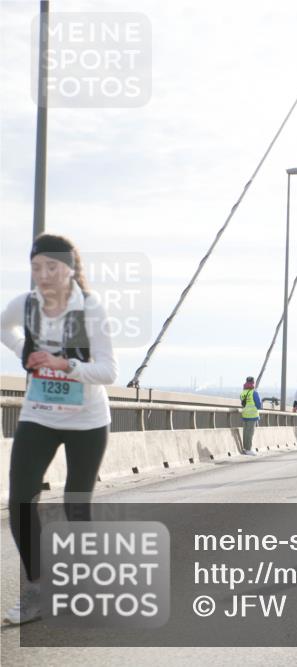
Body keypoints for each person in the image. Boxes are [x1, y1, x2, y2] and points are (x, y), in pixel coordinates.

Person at [1, 234, 118, 624]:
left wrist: (67, 365)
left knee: (75, 504)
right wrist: (24, 351)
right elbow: (4, 327)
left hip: (87, 420)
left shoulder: (91, 309)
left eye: (52, 266)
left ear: (70, 269)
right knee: (21, 500)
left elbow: (109, 371)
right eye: (36, 267)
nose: (44, 274)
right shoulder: (26, 305)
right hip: (39, 414)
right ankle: (36, 590)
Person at [239, 376, 262, 456]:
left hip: (245, 414)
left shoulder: (243, 393)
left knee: (245, 432)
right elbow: (259, 405)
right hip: (252, 415)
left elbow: (243, 403)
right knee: (250, 433)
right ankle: (248, 449)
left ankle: (245, 448)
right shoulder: (254, 393)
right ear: (253, 383)